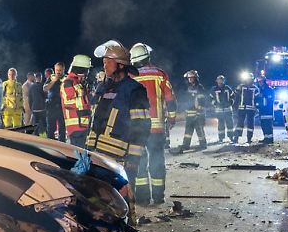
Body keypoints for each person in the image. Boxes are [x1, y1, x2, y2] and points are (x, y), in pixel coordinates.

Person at [86, 43, 150, 220]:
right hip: (97, 156)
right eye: (104, 61)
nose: (104, 65)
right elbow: (95, 122)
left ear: (121, 64)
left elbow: (141, 127)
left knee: (123, 203)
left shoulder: (135, 90)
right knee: (97, 202)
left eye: (108, 61)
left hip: (120, 159)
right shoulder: (102, 88)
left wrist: (133, 159)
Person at [131, 43, 175, 205]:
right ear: (148, 57)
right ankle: (158, 196)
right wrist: (172, 117)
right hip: (156, 128)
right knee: (157, 160)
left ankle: (142, 198)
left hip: (137, 129)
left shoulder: (130, 76)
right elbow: (170, 99)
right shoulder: (159, 74)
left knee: (140, 162)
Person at [60, 54, 93, 148]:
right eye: (87, 70)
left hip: (83, 125)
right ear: (81, 69)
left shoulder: (78, 82)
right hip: (75, 127)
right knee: (78, 156)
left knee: (84, 155)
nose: (87, 73)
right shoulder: (68, 82)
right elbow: (72, 94)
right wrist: (85, 90)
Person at [177, 70, 208, 151]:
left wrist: (199, 112)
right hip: (189, 113)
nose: (190, 79)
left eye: (191, 78)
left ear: (195, 78)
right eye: (189, 78)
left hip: (198, 113)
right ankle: (186, 145)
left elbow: (203, 100)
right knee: (188, 130)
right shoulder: (188, 87)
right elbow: (187, 100)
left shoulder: (200, 87)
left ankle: (203, 144)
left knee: (199, 129)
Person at [232, 74, 260, 144]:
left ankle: (249, 139)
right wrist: (235, 105)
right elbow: (236, 96)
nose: (249, 80)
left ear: (252, 79)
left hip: (251, 109)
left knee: (250, 124)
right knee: (239, 123)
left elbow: (257, 99)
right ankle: (236, 138)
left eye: (250, 79)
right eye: (248, 79)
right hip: (242, 108)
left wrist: (257, 107)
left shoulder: (255, 88)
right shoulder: (241, 86)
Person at [43, 63, 66, 141]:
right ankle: (51, 145)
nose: (58, 72)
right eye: (56, 70)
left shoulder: (66, 79)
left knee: (62, 129)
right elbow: (45, 89)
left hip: (62, 107)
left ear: (63, 70)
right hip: (51, 107)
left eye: (60, 70)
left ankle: (62, 145)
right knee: (50, 128)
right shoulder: (51, 77)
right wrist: (53, 81)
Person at [211, 75, 235, 143]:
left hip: (228, 109)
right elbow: (211, 98)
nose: (220, 81)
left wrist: (230, 102)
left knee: (230, 124)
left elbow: (233, 96)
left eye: (221, 80)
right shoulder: (214, 89)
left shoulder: (227, 88)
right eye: (219, 80)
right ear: (217, 81)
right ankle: (221, 138)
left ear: (223, 81)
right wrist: (215, 104)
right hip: (219, 110)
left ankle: (231, 137)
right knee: (220, 125)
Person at [255, 69, 275, 143]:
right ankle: (266, 138)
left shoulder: (269, 89)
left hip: (268, 110)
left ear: (264, 81)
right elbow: (256, 99)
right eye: (259, 82)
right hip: (262, 110)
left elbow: (271, 99)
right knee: (263, 125)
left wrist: (263, 96)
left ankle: (270, 139)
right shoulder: (259, 90)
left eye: (261, 81)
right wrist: (257, 106)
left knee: (268, 125)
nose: (260, 83)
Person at [25, 71, 46, 136]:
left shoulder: (31, 87)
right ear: (41, 77)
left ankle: (36, 136)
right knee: (44, 124)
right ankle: (46, 137)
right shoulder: (43, 86)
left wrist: (32, 107)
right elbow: (45, 97)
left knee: (35, 124)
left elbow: (30, 99)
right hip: (42, 109)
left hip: (34, 109)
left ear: (35, 77)